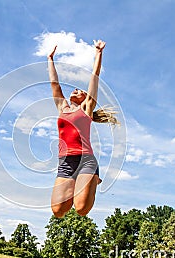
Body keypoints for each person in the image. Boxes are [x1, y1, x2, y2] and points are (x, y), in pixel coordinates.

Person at [48, 39, 118, 218]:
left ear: (86, 97)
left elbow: (94, 77)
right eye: (75, 90)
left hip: (85, 159)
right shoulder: (62, 107)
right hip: (65, 161)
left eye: (80, 90)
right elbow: (55, 85)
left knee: (81, 209)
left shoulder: (86, 108)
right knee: (58, 211)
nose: (76, 90)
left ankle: (93, 178)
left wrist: (98, 53)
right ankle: (78, 183)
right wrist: (50, 60)